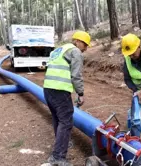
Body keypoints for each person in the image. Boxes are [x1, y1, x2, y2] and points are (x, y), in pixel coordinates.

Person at [43, 31, 91, 166]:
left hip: (48, 88)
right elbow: (76, 75)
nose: (86, 48)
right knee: (66, 121)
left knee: (57, 118)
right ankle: (58, 157)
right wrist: (80, 93)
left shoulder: (59, 50)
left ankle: (63, 142)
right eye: (85, 45)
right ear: (78, 41)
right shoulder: (75, 51)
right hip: (60, 90)